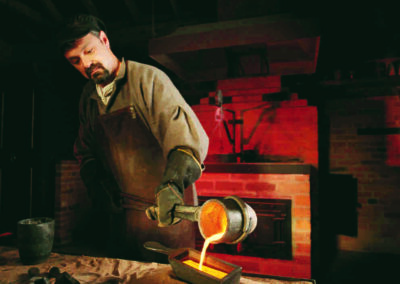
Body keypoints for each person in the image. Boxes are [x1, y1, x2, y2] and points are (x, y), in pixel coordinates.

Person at [56, 14, 209, 261]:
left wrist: (172, 186)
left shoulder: (149, 80)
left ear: (104, 40)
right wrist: (97, 185)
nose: (86, 63)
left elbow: (187, 142)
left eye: (89, 51)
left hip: (166, 218)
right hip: (122, 219)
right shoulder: (88, 98)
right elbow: (85, 152)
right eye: (76, 61)